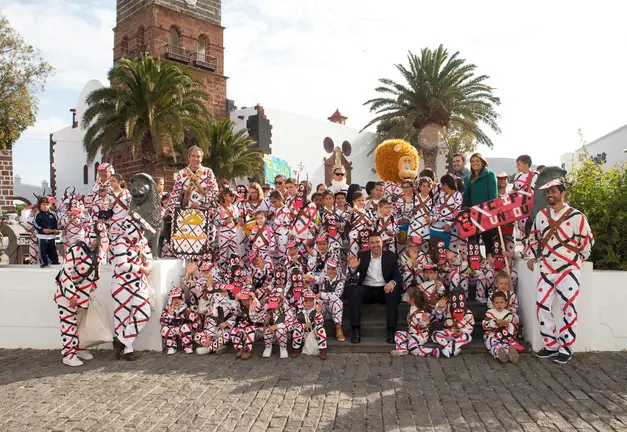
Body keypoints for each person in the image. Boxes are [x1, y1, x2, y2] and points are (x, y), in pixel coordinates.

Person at [523, 178, 594, 364]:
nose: (550, 195)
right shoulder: (541, 216)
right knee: (542, 305)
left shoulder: (577, 216)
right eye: (548, 192)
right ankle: (551, 345)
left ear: (562, 193)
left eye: (553, 192)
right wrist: (531, 255)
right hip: (546, 268)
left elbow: (587, 241)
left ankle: (566, 347)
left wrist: (577, 260)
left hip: (568, 270)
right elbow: (533, 237)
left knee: (568, 308)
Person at [53, 222, 102, 366]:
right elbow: (65, 272)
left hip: (83, 295)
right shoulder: (76, 249)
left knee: (81, 324)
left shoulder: (95, 252)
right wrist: (70, 294)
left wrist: (93, 285)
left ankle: (80, 347)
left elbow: (93, 271)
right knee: (68, 324)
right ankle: (68, 354)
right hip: (68, 295)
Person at [110, 213, 155, 361]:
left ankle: (121, 341)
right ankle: (128, 350)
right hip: (121, 284)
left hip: (139, 284)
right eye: (140, 229)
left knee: (144, 312)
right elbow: (122, 265)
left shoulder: (142, 241)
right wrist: (141, 269)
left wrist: (147, 264)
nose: (142, 232)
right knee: (121, 318)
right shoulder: (120, 243)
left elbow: (149, 256)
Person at [347, 232, 403, 344]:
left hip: (384, 289)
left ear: (382, 243)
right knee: (355, 291)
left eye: (377, 242)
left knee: (393, 292)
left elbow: (398, 276)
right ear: (368, 244)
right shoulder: (362, 255)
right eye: (372, 243)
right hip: (367, 289)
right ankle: (355, 330)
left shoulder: (390, 256)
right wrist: (353, 269)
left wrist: (392, 282)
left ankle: (391, 331)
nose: (375, 245)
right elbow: (353, 277)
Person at [166, 146, 220, 252]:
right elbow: (175, 192)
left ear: (201, 158)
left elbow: (214, 191)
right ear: (189, 157)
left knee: (206, 244)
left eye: (198, 156)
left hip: (206, 211)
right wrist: (170, 208)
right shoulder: (182, 173)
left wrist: (201, 201)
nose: (196, 159)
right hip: (187, 213)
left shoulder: (208, 172)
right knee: (189, 243)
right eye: (193, 156)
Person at [463, 153, 498, 255]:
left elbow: (493, 195)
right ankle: (474, 267)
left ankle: (489, 266)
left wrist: (490, 212)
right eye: (472, 161)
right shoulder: (468, 179)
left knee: (488, 241)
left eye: (477, 161)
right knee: (473, 243)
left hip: (485, 214)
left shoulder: (490, 175)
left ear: (483, 163)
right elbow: (467, 197)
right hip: (472, 215)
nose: (474, 163)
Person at [391, 287, 440, 358]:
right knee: (398, 334)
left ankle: (432, 351)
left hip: (420, 336)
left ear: (413, 299)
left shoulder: (419, 314)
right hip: (412, 334)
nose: (406, 297)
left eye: (408, 296)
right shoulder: (413, 308)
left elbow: (424, 325)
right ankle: (402, 348)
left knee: (412, 347)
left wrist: (424, 321)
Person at [195, 283, 238, 355]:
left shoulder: (232, 303)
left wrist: (227, 323)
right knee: (197, 336)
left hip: (225, 330)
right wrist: (208, 338)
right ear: (218, 294)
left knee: (227, 335)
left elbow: (235, 315)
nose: (227, 293)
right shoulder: (214, 306)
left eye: (227, 291)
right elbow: (212, 321)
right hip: (214, 331)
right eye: (224, 292)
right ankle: (218, 346)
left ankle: (209, 349)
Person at [431, 289, 474, 358]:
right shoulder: (447, 308)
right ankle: (453, 348)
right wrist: (439, 307)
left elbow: (470, 328)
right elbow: (437, 316)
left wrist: (461, 331)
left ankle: (448, 349)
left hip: (459, 336)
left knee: (468, 337)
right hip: (448, 334)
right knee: (435, 334)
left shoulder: (468, 314)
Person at [311, 257, 345, 342]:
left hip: (333, 309)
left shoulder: (341, 279)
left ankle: (338, 329)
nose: (331, 271)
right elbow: (317, 280)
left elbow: (337, 294)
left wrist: (321, 294)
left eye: (333, 269)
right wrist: (311, 278)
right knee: (315, 303)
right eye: (329, 269)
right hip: (323, 308)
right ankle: (315, 329)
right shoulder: (324, 276)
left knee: (337, 302)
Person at [483, 291, 520, 364]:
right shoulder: (489, 313)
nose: (499, 305)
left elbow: (513, 327)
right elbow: (485, 325)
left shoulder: (508, 314)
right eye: (497, 303)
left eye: (501, 302)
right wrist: (495, 322)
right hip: (492, 335)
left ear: (505, 303)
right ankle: (499, 354)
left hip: (505, 336)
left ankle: (511, 354)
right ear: (493, 304)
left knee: (507, 344)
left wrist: (508, 325)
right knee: (494, 344)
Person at [291, 289, 328, 360]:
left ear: (314, 301)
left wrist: (318, 314)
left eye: (311, 301)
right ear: (303, 301)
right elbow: (294, 324)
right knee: (297, 331)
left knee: (321, 330)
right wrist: (303, 326)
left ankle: (322, 350)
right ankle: (295, 349)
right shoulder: (299, 312)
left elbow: (320, 323)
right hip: (303, 334)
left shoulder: (316, 310)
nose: (308, 303)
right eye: (306, 301)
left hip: (313, 333)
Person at [160, 287, 195, 355]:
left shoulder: (186, 308)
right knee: (164, 329)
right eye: (174, 299)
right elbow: (162, 321)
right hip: (172, 329)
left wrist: (182, 316)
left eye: (178, 298)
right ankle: (171, 347)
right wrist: (170, 316)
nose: (176, 300)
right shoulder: (167, 309)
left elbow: (192, 319)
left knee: (187, 327)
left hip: (182, 329)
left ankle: (187, 346)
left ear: (182, 299)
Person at [430, 174, 462, 250]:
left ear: (450, 184)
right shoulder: (441, 194)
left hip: (452, 225)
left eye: (444, 185)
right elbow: (437, 208)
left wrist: (449, 224)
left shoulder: (458, 195)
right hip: (440, 221)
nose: (442, 187)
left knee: (451, 248)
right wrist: (434, 218)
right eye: (442, 185)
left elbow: (457, 211)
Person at [260, 287, 292, 359]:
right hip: (270, 335)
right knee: (267, 329)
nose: (275, 305)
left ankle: (283, 348)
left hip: (284, 335)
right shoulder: (267, 308)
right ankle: (268, 347)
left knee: (280, 331)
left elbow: (290, 324)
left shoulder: (286, 309)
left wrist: (278, 326)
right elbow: (258, 319)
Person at [513, 154, 538, 242]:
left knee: (533, 230)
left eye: (518, 164)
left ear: (526, 165)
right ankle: (525, 249)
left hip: (532, 208)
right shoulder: (517, 177)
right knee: (522, 229)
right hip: (521, 209)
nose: (517, 166)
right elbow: (514, 191)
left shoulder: (536, 176)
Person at [33, 196, 60, 268]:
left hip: (51, 236)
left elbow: (56, 224)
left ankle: (55, 262)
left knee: (53, 250)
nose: (45, 206)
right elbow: (35, 224)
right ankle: (44, 264)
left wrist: (56, 230)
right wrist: (42, 230)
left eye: (47, 205)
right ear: (39, 205)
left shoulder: (53, 214)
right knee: (43, 251)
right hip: (42, 237)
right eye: (43, 205)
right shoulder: (38, 215)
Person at [108, 174, 131, 244]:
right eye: (110, 181)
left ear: (119, 182)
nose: (111, 183)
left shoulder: (126, 193)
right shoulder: (108, 194)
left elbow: (130, 206)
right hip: (112, 222)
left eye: (113, 181)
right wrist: (108, 207)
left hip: (124, 222)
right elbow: (104, 207)